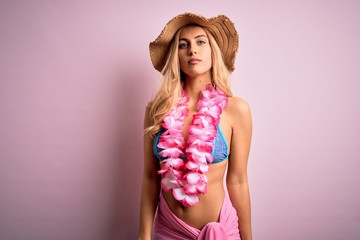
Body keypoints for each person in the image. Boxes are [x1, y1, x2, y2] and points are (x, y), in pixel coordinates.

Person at [139, 12, 252, 240]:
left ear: (213, 52)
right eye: (184, 44)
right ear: (176, 56)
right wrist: (143, 235)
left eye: (201, 42)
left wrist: (249, 238)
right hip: (169, 231)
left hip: (220, 230)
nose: (193, 50)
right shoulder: (157, 111)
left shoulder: (236, 110)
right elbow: (151, 177)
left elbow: (238, 180)